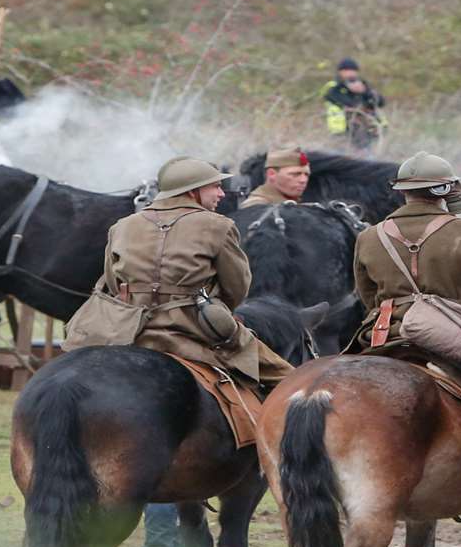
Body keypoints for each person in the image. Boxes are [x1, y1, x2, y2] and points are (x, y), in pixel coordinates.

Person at [65, 156, 292, 395]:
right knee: (285, 377)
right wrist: (219, 311)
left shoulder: (123, 225)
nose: (222, 194)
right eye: (215, 186)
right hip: (192, 325)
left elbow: (113, 281)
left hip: (128, 327)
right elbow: (237, 286)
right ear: (193, 191)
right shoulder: (218, 225)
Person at [349, 151, 461, 391]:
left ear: (402, 191)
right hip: (460, 330)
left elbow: (368, 296)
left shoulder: (369, 236)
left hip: (390, 331)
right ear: (446, 190)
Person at [321, 58, 385, 154]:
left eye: (352, 70)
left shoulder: (363, 85)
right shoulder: (332, 87)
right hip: (340, 133)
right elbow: (348, 103)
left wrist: (365, 92)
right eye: (346, 70)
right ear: (340, 72)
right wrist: (351, 90)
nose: (350, 73)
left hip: (364, 133)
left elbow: (380, 102)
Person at [240, 146, 311, 208]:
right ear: (272, 174)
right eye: (295, 174)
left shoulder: (292, 203)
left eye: (306, 174)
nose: (303, 180)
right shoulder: (255, 206)